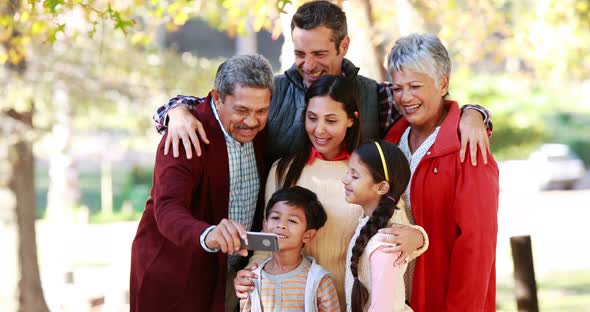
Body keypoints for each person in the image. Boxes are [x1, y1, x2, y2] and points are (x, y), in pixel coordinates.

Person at [152, 0, 492, 167]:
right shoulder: (272, 92)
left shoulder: (375, 95)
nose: (308, 65)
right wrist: (178, 111)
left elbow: (428, 104)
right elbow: (219, 106)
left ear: (343, 46)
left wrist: (474, 113)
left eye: (319, 53)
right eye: (300, 53)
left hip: (352, 244)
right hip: (282, 251)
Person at [234, 75, 426, 310]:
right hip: (297, 303)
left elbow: (396, 228)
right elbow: (268, 244)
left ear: (351, 120)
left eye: (331, 120)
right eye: (312, 118)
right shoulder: (283, 171)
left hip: (357, 304)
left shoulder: (366, 175)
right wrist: (249, 274)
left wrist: (418, 238)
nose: (319, 130)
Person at [129, 54, 274, 312]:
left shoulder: (259, 134)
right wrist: (208, 234)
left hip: (231, 276)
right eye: (241, 110)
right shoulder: (186, 134)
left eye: (261, 111)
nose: (252, 121)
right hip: (175, 274)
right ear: (217, 98)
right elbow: (168, 209)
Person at [383, 33, 499, 311]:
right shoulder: (391, 142)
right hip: (396, 299)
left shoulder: (467, 147)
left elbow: (477, 246)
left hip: (441, 298)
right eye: (397, 88)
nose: (405, 97)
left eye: (415, 86)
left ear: (443, 83)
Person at [342, 141, 428, 312]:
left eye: (355, 176)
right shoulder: (368, 221)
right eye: (347, 172)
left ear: (381, 187)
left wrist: (419, 237)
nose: (344, 180)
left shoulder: (385, 245)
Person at [240, 186, 341, 312]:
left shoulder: (319, 281)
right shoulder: (252, 280)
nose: (281, 225)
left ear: (307, 235)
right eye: (275, 217)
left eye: (292, 221)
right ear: (265, 225)